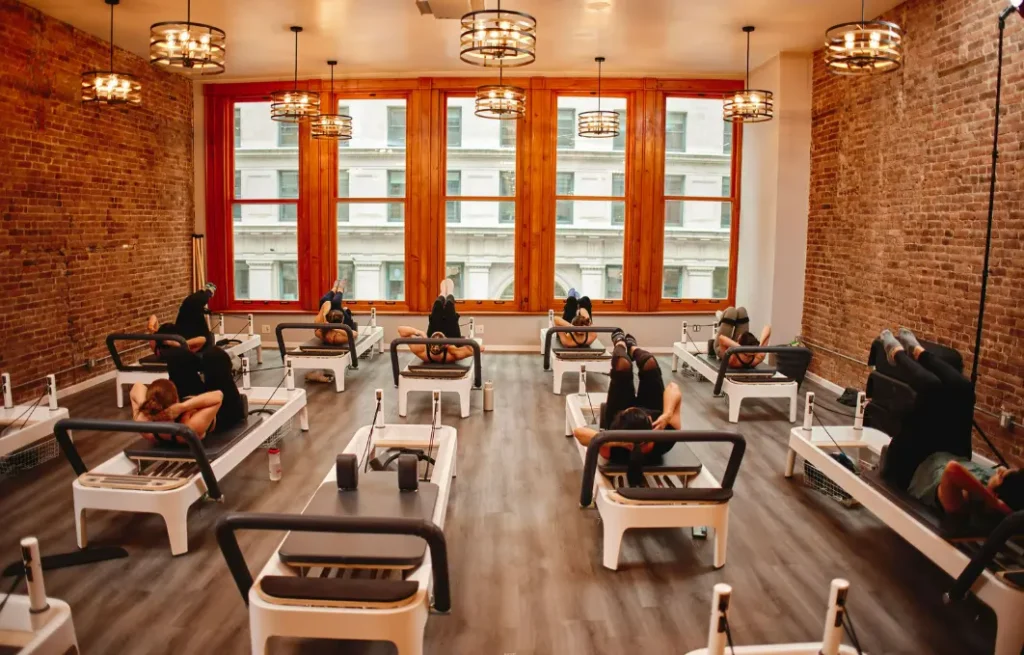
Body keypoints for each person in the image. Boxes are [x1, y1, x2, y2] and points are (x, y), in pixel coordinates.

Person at [879, 328, 1024, 518]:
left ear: (995, 496)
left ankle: (895, 353)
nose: (998, 473)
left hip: (913, 461)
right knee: (964, 390)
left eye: (998, 477)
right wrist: (1007, 476)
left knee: (932, 388)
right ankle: (918, 352)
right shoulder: (996, 488)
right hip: (950, 450)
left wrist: (991, 500)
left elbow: (952, 470)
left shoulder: (960, 504)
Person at [572, 330, 683, 463]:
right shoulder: (665, 437)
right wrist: (667, 414)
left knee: (622, 365)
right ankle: (632, 347)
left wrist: (618, 441)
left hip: (619, 422)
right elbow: (673, 388)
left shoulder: (611, 450)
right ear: (649, 419)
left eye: (627, 410)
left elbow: (579, 433)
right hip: (652, 407)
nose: (632, 405)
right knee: (649, 363)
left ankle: (620, 343)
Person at [129, 347, 246, 443]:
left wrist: (145, 407)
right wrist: (183, 407)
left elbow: (137, 387)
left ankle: (198, 363)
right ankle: (207, 363)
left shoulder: (145, 426)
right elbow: (218, 396)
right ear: (176, 399)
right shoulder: (189, 427)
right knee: (214, 355)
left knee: (177, 355)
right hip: (223, 411)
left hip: (190, 402)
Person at [398, 281, 480, 364]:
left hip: (434, 336)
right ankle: (450, 292)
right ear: (444, 347)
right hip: (451, 339)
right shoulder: (453, 353)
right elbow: (480, 349)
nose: (437, 339)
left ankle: (443, 293)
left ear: (430, 346)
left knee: (437, 305)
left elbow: (401, 330)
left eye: (434, 342)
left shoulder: (422, 351)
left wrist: (419, 332)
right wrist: (465, 341)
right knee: (449, 306)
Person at [147, 284, 217, 354]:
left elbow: (153, 317)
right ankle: (208, 292)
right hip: (193, 333)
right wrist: (170, 342)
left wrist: (150, 327)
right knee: (191, 305)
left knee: (187, 306)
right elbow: (200, 340)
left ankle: (207, 292)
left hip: (183, 329)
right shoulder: (186, 344)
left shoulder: (157, 344)